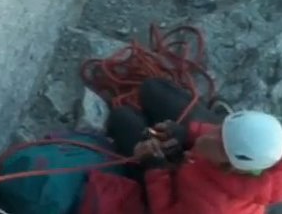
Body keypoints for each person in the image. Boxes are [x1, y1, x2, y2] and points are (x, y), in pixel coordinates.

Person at [106, 78, 282, 213]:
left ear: (233, 166)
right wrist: (187, 132)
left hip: (179, 191)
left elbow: (164, 210)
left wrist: (156, 170)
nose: (208, 138)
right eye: (220, 130)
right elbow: (216, 138)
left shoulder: (213, 207)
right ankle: (220, 117)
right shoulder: (265, 147)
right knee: (151, 88)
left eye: (221, 145)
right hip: (192, 164)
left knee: (122, 118)